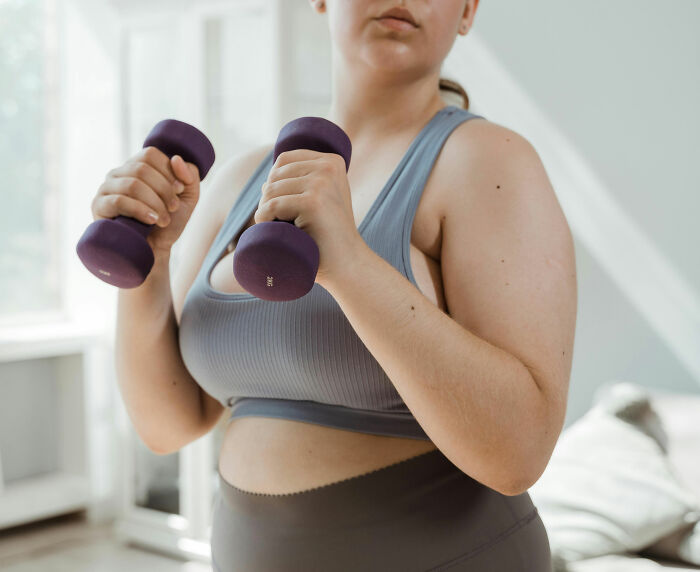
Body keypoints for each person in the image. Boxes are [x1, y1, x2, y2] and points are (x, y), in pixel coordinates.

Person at [97, 0, 577, 569]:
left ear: (468, 11)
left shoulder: (488, 162)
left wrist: (348, 262)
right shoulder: (240, 180)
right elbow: (167, 425)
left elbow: (519, 452)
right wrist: (147, 270)